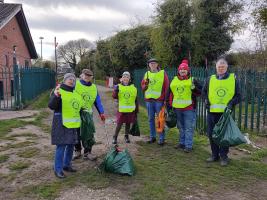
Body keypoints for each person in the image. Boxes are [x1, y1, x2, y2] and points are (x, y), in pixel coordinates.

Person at [202, 58, 241, 166]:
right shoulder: (210, 79)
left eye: (223, 67)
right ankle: (215, 155)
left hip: (225, 113)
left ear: (226, 67)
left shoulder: (233, 79)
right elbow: (204, 92)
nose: (221, 69)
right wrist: (205, 100)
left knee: (224, 135)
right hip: (211, 112)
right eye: (219, 67)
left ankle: (224, 157)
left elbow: (239, 96)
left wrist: (232, 103)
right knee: (211, 134)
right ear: (216, 68)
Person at [48, 73, 82, 178]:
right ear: (64, 80)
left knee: (71, 145)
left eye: (73, 79)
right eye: (69, 79)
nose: (71, 80)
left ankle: (67, 165)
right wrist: (56, 96)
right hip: (61, 123)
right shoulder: (59, 91)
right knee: (61, 145)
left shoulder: (76, 94)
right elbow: (52, 106)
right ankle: (58, 169)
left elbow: (78, 108)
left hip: (73, 124)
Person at [169, 59, 202, 153]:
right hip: (177, 108)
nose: (182, 71)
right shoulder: (174, 80)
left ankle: (188, 145)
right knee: (180, 126)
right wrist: (169, 104)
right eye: (181, 69)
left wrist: (194, 88)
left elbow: (200, 91)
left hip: (189, 108)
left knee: (188, 127)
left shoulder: (193, 80)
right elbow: (170, 92)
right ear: (178, 70)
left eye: (184, 69)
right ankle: (182, 143)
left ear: (187, 71)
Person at [73, 69, 105, 161]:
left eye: (89, 76)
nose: (87, 77)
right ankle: (77, 150)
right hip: (76, 113)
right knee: (76, 133)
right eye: (85, 75)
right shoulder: (76, 84)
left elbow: (97, 101)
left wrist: (101, 112)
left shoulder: (94, 87)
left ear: (92, 77)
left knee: (89, 133)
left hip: (88, 114)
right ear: (81, 75)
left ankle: (88, 152)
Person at [141, 58, 169, 145]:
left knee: (160, 119)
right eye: (151, 63)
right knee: (150, 119)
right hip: (149, 100)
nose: (152, 65)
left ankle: (161, 138)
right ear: (149, 65)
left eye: (154, 63)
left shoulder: (162, 73)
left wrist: (165, 100)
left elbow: (167, 86)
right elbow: (143, 88)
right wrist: (145, 84)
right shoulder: (146, 74)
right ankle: (152, 137)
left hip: (159, 101)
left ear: (157, 65)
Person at [112, 71, 138, 144]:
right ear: (122, 78)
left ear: (129, 79)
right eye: (124, 77)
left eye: (127, 77)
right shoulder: (118, 86)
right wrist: (116, 90)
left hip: (130, 109)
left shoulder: (133, 88)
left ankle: (126, 136)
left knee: (128, 123)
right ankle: (115, 137)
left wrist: (136, 110)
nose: (125, 78)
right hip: (121, 109)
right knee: (119, 124)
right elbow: (114, 96)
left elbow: (135, 99)